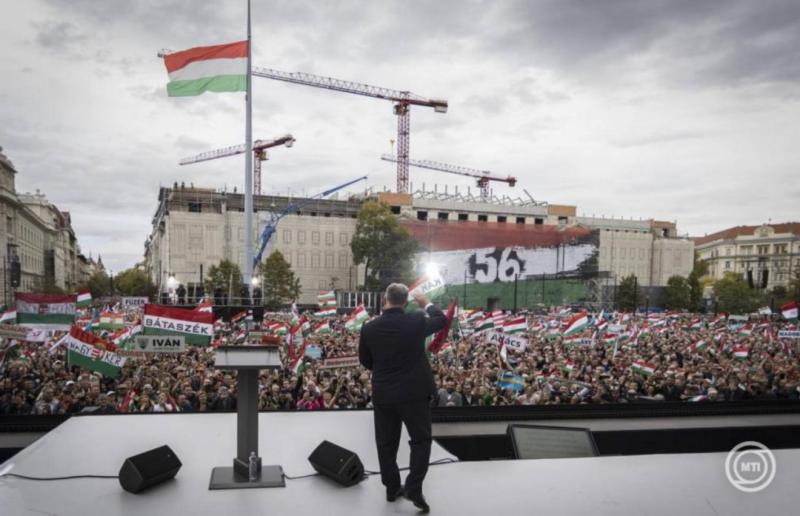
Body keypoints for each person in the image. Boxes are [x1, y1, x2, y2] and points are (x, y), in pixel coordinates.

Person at [358, 283, 446, 513]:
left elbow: (365, 360)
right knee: (420, 441)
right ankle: (414, 487)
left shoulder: (369, 328)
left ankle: (392, 488)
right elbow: (441, 320)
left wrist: (385, 368)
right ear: (406, 301)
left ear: (384, 299)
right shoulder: (416, 320)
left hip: (384, 393)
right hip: (415, 393)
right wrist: (426, 303)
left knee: (386, 443)